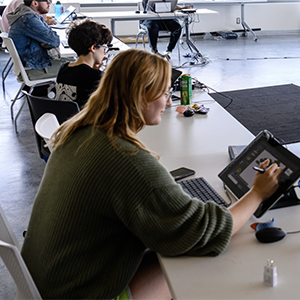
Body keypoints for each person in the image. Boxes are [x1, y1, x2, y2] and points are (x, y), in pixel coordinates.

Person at [21, 48, 282, 300]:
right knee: (198, 256)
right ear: (141, 96)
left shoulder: (82, 131)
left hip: (49, 280)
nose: (169, 101)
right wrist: (257, 193)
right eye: (165, 93)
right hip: (80, 293)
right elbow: (207, 232)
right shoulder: (125, 160)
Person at [55, 19, 113, 108]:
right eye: (104, 48)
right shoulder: (96, 76)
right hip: (87, 120)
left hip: (65, 120)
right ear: (93, 48)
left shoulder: (63, 68)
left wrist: (94, 70)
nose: (104, 53)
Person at [6, 0, 69, 79]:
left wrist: (45, 41)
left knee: (72, 60)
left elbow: (51, 39)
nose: (49, 3)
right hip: (34, 68)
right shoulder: (29, 19)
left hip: (29, 63)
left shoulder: (23, 13)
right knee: (77, 66)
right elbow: (54, 41)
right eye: (46, 1)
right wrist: (45, 42)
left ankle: (45, 90)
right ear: (34, 3)